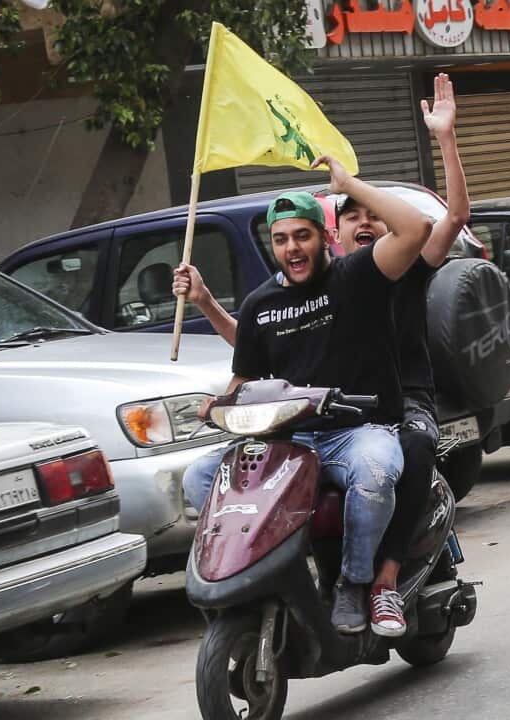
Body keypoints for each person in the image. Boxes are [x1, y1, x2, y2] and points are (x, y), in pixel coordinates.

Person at [175, 74, 468, 638]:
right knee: (199, 481)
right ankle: (261, 573)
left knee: (394, 459)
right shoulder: (265, 301)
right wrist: (216, 394)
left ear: (322, 240)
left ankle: (367, 583)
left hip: (373, 414)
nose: (292, 248)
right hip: (292, 432)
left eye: (302, 236)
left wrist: (354, 180)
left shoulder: (366, 277)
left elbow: (436, 222)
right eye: (281, 239)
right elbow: (251, 363)